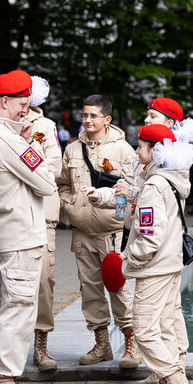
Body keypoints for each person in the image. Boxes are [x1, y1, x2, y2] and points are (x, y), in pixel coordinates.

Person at [88, 97, 193, 384]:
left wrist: (128, 261)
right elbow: (134, 190)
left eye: (152, 116)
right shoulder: (154, 161)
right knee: (163, 319)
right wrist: (110, 196)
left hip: (155, 256)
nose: (147, 120)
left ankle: (174, 382)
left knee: (156, 323)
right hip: (162, 252)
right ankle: (161, 376)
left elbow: (151, 204)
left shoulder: (172, 163)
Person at [0, 70, 55, 384]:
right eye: (23, 104)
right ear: (5, 102)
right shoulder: (8, 141)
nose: (27, 111)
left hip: (4, 232)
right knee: (18, 310)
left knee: (2, 308)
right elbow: (46, 182)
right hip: (20, 235)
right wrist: (30, 143)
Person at [57, 94, 140, 367]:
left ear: (107, 119)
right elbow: (63, 184)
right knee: (90, 290)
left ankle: (131, 343)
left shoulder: (124, 151)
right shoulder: (71, 149)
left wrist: (115, 213)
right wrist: (70, 205)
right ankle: (102, 344)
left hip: (112, 233)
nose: (87, 120)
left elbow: (131, 192)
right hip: (82, 232)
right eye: (84, 115)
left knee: (119, 288)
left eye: (93, 115)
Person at [122, 124, 193, 384]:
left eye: (140, 146)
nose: (136, 150)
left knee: (144, 330)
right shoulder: (170, 179)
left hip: (154, 268)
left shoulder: (154, 185)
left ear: (154, 151)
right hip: (169, 264)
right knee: (164, 327)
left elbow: (150, 235)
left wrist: (132, 259)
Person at [25, 76, 63, 372]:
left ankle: (41, 344)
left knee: (44, 281)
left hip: (42, 213)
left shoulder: (45, 127)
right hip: (13, 213)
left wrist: (26, 170)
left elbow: (54, 165)